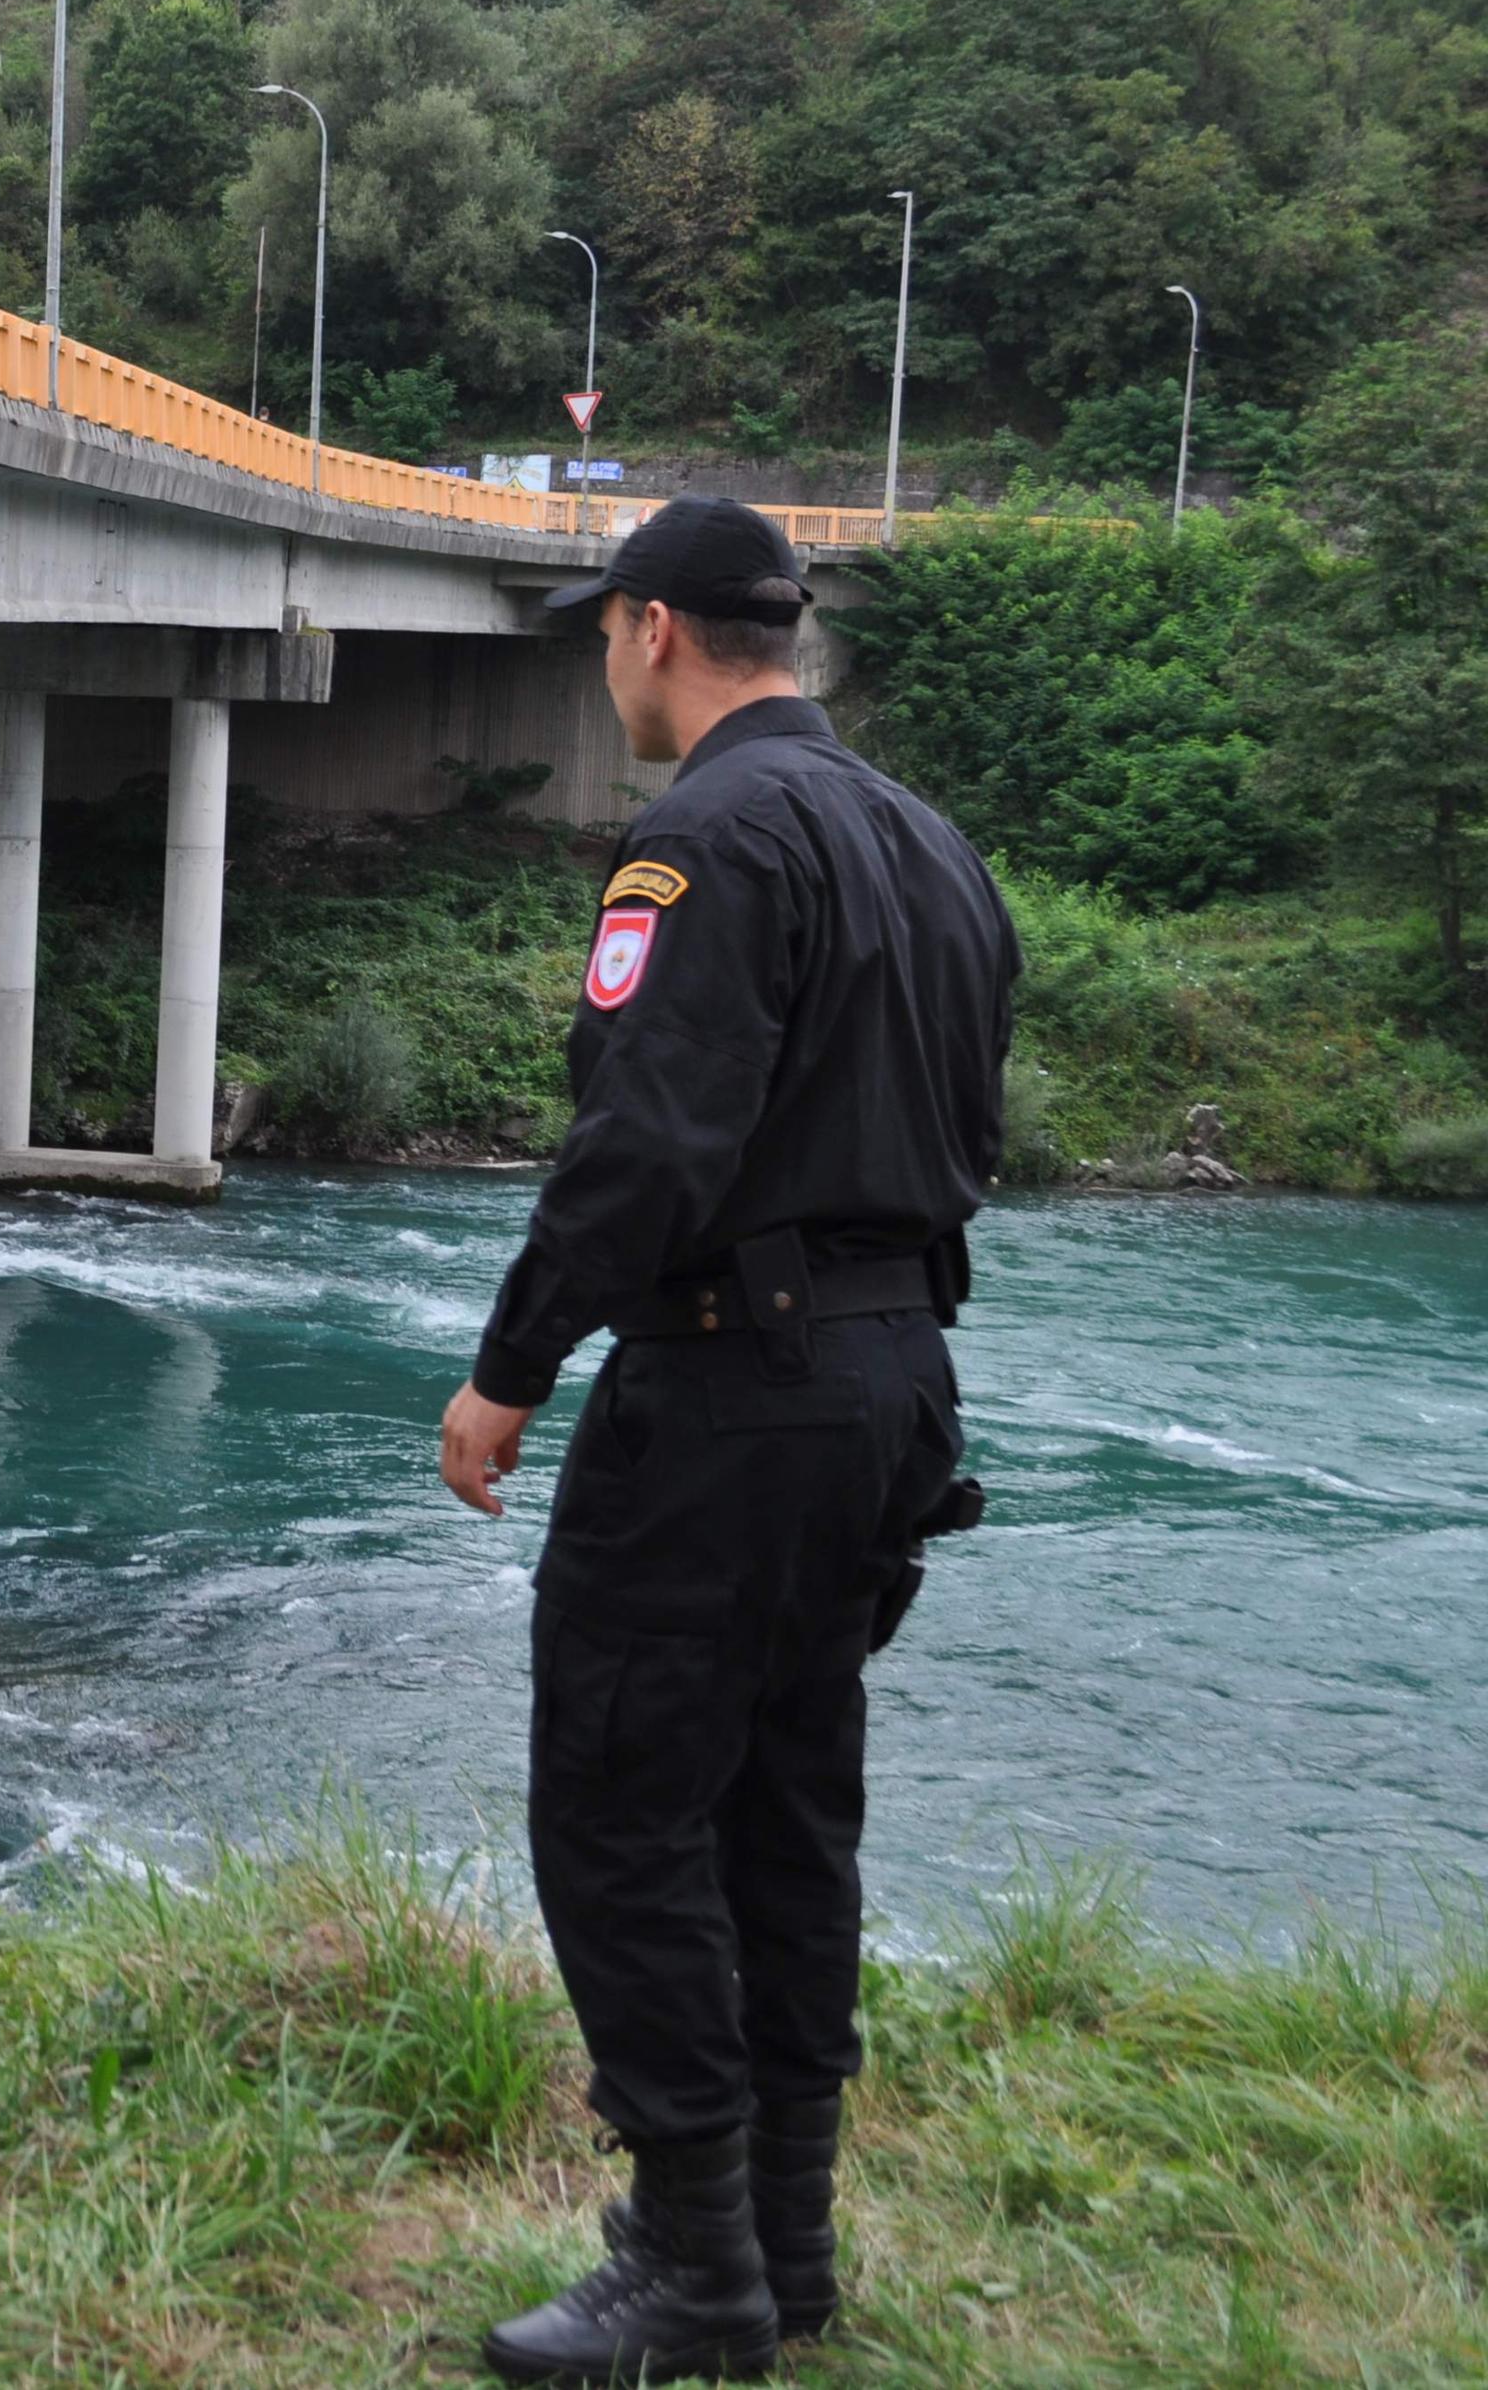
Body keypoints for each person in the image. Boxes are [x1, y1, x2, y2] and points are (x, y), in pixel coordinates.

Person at [434, 499, 1015, 2384]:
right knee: (786, 1797)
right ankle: (787, 2242)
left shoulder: (698, 843)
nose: (605, 665)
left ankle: (691, 2263)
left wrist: (509, 1368)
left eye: (603, 634)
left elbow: (649, 1144)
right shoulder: (926, 842)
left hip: (728, 1384)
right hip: (890, 1374)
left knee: (619, 1801)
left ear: (658, 627)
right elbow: (968, 1124)